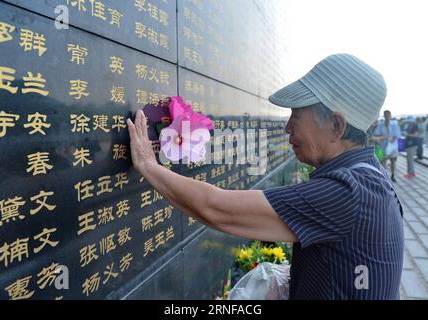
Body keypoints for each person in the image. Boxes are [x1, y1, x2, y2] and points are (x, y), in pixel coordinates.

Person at [127, 53, 403, 300]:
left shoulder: (348, 192)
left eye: (296, 115)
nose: (287, 127)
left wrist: (149, 166)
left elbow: (217, 208)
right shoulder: (370, 176)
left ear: (335, 125)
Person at [373, 111, 401, 182]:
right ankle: (383, 176)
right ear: (384, 116)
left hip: (392, 147)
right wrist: (382, 137)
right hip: (381, 146)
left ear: (390, 115)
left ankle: (393, 175)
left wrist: (393, 139)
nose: (387, 117)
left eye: (388, 115)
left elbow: (397, 135)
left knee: (393, 160)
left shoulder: (394, 124)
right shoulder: (380, 124)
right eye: (386, 115)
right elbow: (376, 134)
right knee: (382, 161)